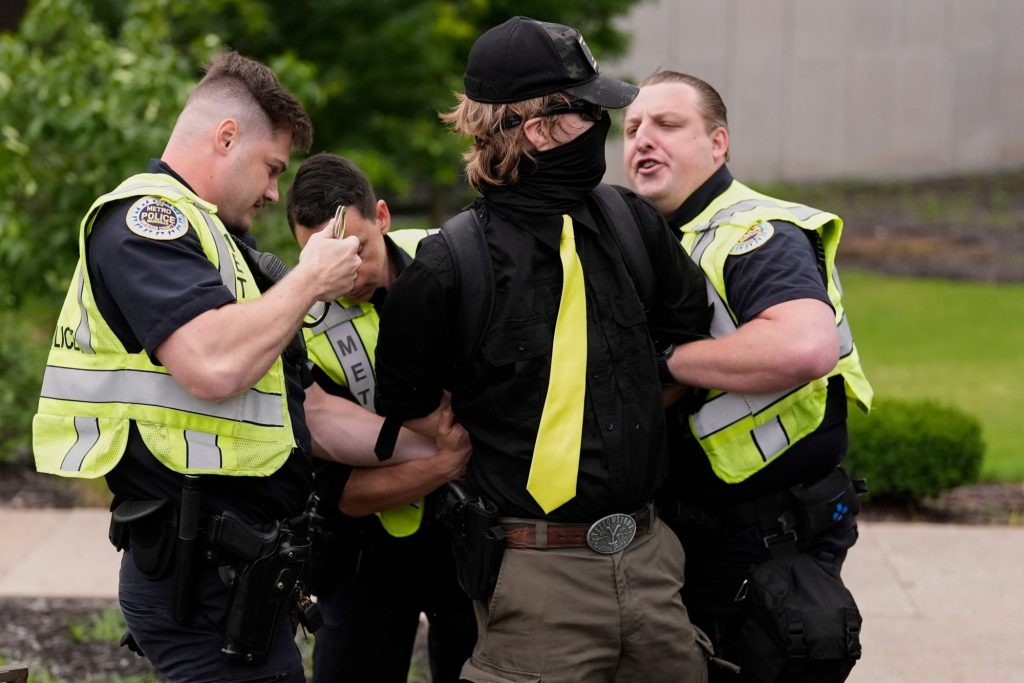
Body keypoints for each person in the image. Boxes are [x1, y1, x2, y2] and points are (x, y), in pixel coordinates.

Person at [374, 17, 713, 683]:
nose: (606, 127)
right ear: (541, 127)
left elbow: (685, 339)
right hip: (533, 579)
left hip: (650, 561)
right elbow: (409, 403)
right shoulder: (450, 265)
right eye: (590, 110)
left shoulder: (634, 224)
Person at [31, 51, 370, 681]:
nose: (275, 191)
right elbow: (212, 366)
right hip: (199, 578)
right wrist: (308, 282)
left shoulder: (219, 248)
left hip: (238, 576)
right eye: (272, 168)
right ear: (225, 136)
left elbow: (301, 411)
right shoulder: (145, 221)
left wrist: (427, 447)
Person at [623, 71, 874, 681]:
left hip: (766, 537)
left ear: (718, 143)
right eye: (630, 129)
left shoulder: (753, 232)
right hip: (692, 532)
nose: (642, 140)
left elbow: (805, 345)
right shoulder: (653, 238)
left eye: (667, 125)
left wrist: (666, 363)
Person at [284, 152, 477, 682]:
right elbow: (341, 493)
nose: (346, 273)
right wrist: (443, 466)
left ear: (384, 217)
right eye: (323, 256)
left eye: (358, 249)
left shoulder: (451, 258)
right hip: (365, 556)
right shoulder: (296, 321)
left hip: (469, 537)